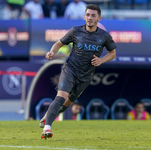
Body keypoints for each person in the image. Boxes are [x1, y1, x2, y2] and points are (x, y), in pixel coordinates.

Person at [40, 4, 116, 139]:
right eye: (87, 15)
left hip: (85, 76)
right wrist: (52, 52)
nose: (90, 18)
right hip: (70, 69)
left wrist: (101, 60)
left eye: (93, 15)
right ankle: (47, 128)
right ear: (84, 16)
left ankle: (48, 115)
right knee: (61, 96)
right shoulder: (75, 31)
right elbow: (59, 43)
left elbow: (112, 53)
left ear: (99, 18)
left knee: (67, 103)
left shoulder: (104, 36)